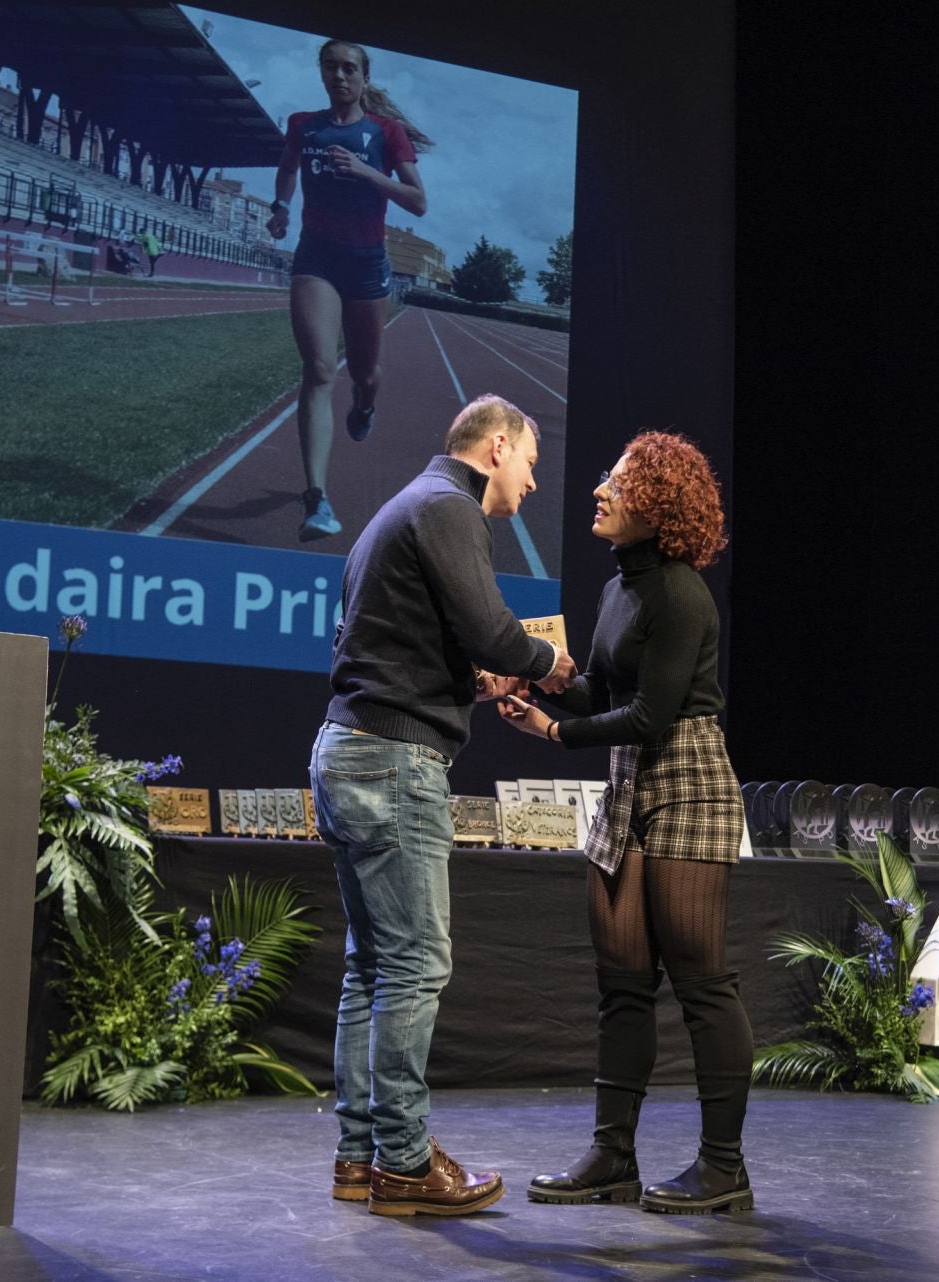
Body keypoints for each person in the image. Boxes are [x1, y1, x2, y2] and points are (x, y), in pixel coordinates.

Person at [310, 393, 576, 1217]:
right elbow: (495, 630)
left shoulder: (403, 508)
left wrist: (473, 681)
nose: (532, 483)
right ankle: (404, 1161)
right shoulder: (449, 508)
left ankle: (361, 1159)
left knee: (372, 966)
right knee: (416, 966)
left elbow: (400, 644)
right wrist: (548, 664)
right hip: (392, 762)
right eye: (531, 462)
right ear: (496, 448)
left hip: (349, 749)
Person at [497, 431, 755, 1215]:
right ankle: (612, 1158)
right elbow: (603, 698)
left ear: (659, 507)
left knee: (701, 983)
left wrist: (549, 735)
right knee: (622, 986)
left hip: (687, 780)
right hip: (627, 784)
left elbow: (648, 717)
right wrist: (539, 693)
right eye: (606, 480)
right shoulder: (618, 590)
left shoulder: (680, 594)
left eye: (618, 484)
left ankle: (723, 1168)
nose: (600, 493)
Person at [266, 38, 431, 542]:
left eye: (349, 69)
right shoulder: (303, 126)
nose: (340, 77)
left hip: (366, 264)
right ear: (322, 74)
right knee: (318, 368)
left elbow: (419, 202)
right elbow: (289, 168)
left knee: (365, 373)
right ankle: (316, 499)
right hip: (315, 257)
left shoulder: (386, 133)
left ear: (363, 77)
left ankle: (364, 405)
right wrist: (280, 206)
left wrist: (364, 171)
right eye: (331, 68)